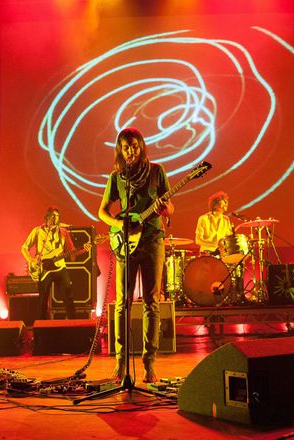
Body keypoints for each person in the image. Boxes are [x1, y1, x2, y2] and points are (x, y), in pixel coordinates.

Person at [98, 127, 174, 383]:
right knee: (122, 304)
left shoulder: (156, 171)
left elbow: (170, 205)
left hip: (152, 238)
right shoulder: (117, 177)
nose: (131, 150)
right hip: (125, 243)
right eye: (126, 146)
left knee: (152, 302)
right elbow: (103, 211)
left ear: (142, 146)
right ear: (121, 149)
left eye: (134, 145)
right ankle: (121, 363)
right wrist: (120, 225)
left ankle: (149, 363)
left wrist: (165, 209)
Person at [21, 206, 78, 320]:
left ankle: (74, 324)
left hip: (60, 267)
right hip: (44, 268)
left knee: (68, 297)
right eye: (53, 216)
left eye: (57, 216)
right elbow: (24, 248)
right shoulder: (37, 231)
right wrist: (31, 260)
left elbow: (71, 252)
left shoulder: (63, 232)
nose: (55, 218)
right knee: (42, 300)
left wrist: (78, 252)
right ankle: (40, 330)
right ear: (47, 217)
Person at [195, 191, 233, 256]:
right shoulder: (203, 219)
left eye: (226, 201)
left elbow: (228, 238)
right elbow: (198, 240)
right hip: (206, 254)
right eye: (223, 200)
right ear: (215, 204)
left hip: (222, 254)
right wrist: (215, 244)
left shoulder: (226, 220)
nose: (226, 203)